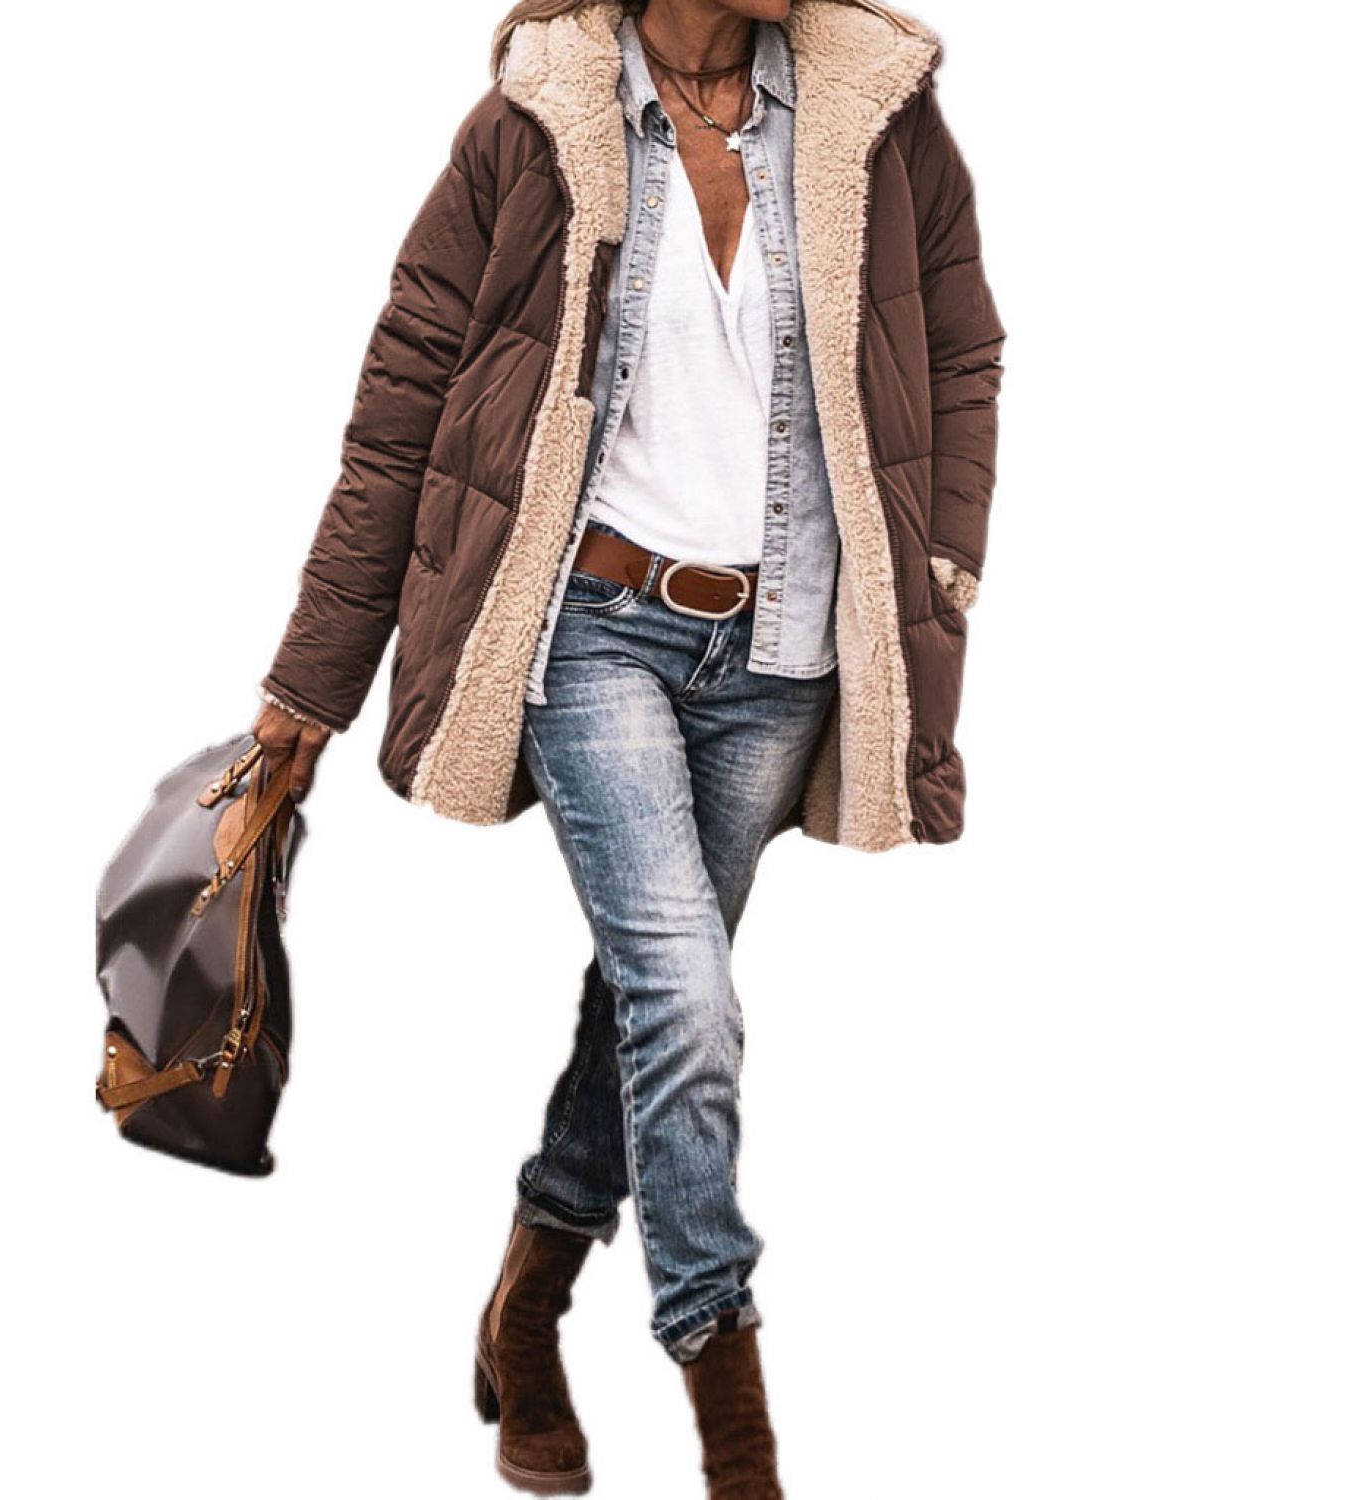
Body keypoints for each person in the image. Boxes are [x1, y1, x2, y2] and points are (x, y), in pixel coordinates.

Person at [253, 1, 1003, 1493]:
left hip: (780, 645)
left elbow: (964, 350)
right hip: (593, 630)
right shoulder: (538, 123)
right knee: (689, 1001)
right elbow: (402, 405)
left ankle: (526, 1301)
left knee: (658, 999)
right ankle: (731, 1403)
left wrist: (941, 565)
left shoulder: (878, 111)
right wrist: (307, 688)